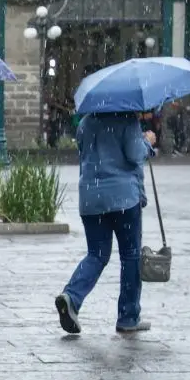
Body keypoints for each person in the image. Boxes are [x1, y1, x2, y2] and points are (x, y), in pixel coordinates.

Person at [55, 112, 157, 335]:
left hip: (91, 197)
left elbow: (84, 154)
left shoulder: (86, 122)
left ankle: (71, 297)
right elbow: (135, 155)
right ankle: (128, 317)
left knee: (96, 254)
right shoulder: (127, 120)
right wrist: (147, 142)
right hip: (123, 198)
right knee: (130, 256)